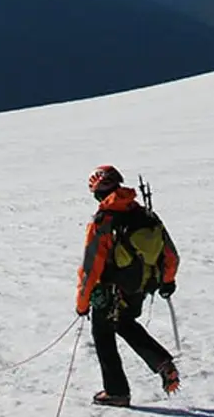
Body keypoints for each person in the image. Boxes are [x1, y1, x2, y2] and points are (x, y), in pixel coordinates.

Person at [76, 164, 180, 407]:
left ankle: (116, 392)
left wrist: (82, 304)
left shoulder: (103, 221)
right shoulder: (144, 213)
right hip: (140, 287)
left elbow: (90, 269)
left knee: (103, 334)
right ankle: (161, 362)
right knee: (123, 321)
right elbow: (170, 253)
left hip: (110, 289)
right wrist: (167, 281)